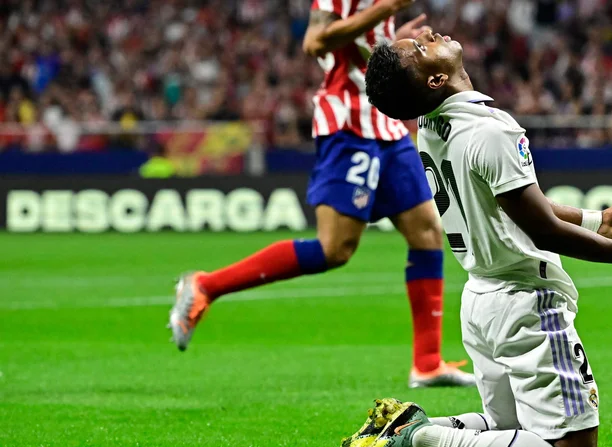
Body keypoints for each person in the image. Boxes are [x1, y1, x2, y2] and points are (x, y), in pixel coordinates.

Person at [342, 31, 612, 447]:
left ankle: (402, 430)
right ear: (435, 80)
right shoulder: (490, 131)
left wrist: (594, 221)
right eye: (422, 48)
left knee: (508, 428)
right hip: (527, 303)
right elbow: (543, 229)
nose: (430, 36)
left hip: (481, 299)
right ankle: (420, 438)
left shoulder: (431, 124)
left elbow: (517, 203)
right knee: (572, 446)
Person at [167, 0, 475, 389]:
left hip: (386, 124)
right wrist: (385, 11)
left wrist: (390, 42)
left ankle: (427, 363)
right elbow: (315, 43)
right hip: (347, 123)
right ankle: (206, 286)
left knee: (428, 232)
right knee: (334, 249)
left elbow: (358, 48)